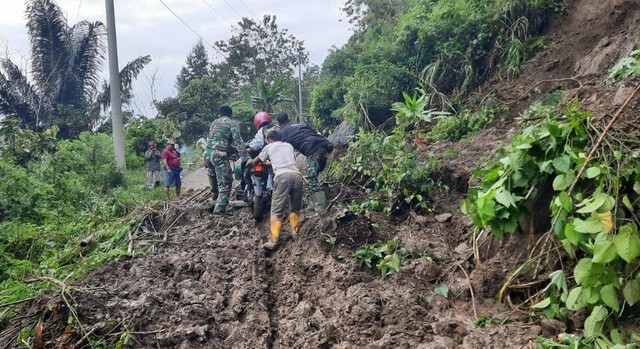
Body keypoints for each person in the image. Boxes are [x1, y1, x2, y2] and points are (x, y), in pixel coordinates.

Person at [247, 130, 303, 249]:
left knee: (276, 210)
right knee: (294, 207)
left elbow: (256, 161)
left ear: (269, 140)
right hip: (297, 176)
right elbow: (283, 161)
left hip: (282, 177)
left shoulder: (269, 147)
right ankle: (295, 232)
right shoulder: (288, 146)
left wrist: (249, 162)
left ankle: (273, 241)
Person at [276, 112, 333, 194]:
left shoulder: (282, 132)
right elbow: (313, 132)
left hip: (313, 149)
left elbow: (282, 149)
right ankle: (323, 194)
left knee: (313, 181)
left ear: (279, 123)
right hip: (325, 144)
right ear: (288, 119)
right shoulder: (301, 125)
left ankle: (320, 206)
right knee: (313, 173)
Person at [205, 105, 244, 214]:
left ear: (220, 114)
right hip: (219, 154)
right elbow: (238, 142)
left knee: (213, 177)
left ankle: (214, 200)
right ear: (231, 115)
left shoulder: (214, 123)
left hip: (207, 154)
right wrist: (245, 157)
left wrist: (232, 153)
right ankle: (219, 210)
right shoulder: (232, 123)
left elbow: (219, 141)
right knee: (226, 182)